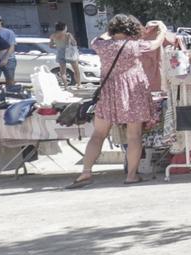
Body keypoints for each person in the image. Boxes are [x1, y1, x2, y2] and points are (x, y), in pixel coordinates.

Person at [69, 14, 167, 187]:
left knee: (98, 135)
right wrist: (162, 30)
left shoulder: (101, 45)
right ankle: (131, 175)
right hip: (133, 93)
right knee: (134, 136)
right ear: (133, 29)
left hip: (108, 92)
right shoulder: (135, 46)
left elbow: (97, 38)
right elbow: (155, 44)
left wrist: (110, 31)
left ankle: (85, 172)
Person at [49, 23, 80, 87]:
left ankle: (66, 85)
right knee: (76, 70)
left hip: (60, 53)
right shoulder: (68, 35)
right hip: (70, 53)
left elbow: (51, 46)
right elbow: (74, 43)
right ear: (64, 28)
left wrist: (58, 46)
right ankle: (79, 84)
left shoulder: (53, 36)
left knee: (63, 71)